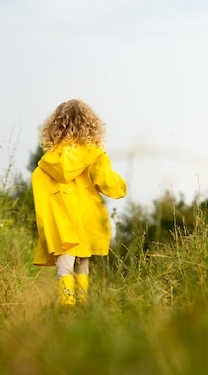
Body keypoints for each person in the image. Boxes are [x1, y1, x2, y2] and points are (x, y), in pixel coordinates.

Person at [32, 99, 127, 307]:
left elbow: (40, 194)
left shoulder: (47, 162)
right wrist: (122, 185)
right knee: (82, 262)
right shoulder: (94, 155)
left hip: (60, 219)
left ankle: (68, 305)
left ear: (56, 126)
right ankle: (80, 306)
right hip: (85, 217)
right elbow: (108, 183)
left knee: (64, 261)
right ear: (90, 125)